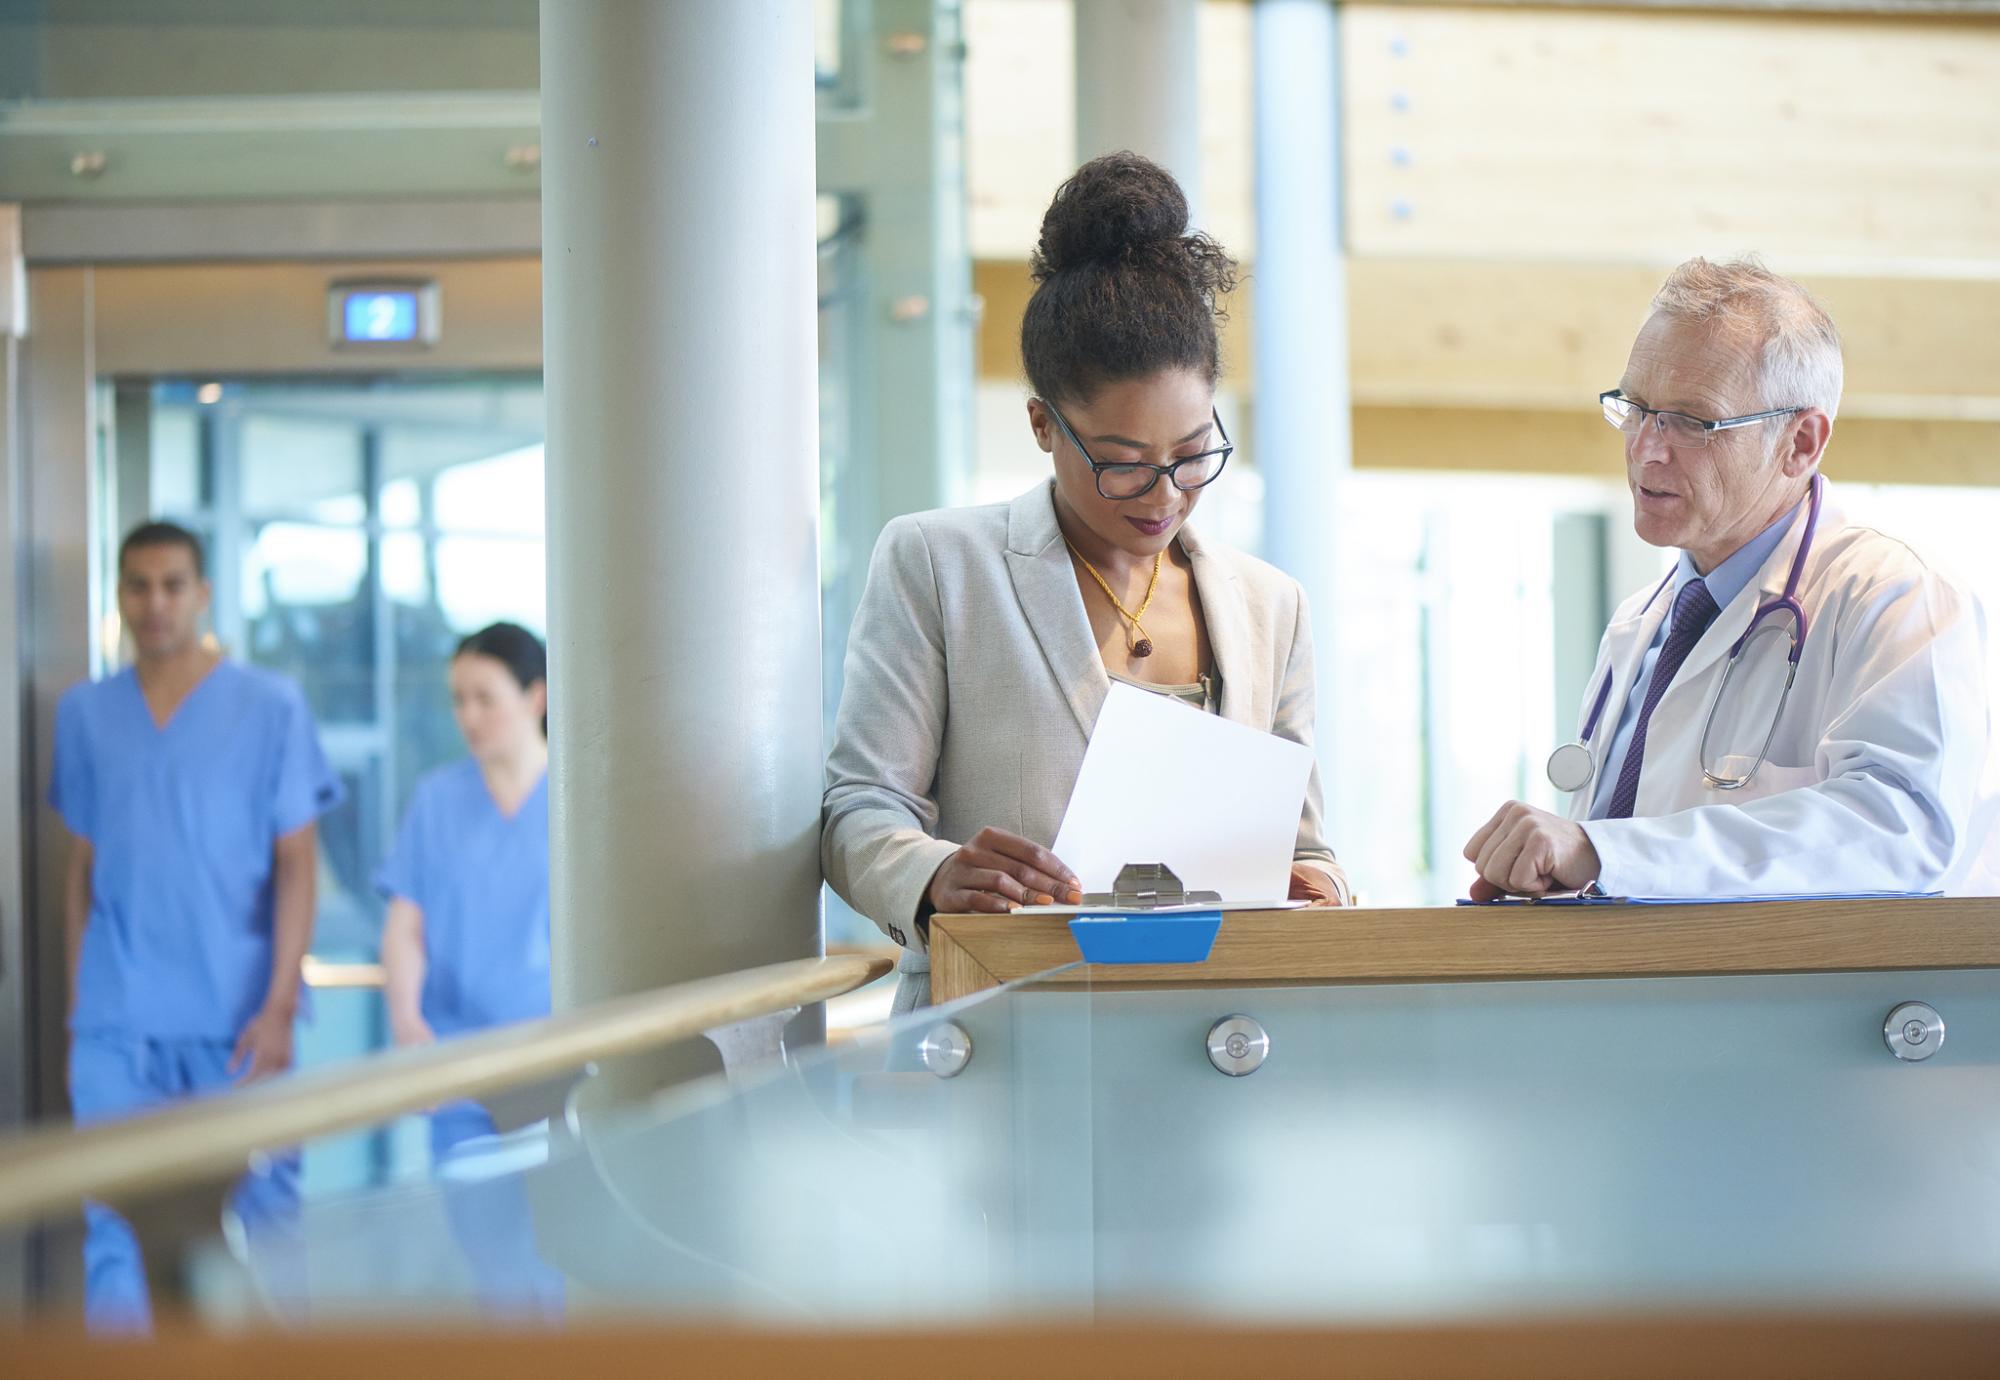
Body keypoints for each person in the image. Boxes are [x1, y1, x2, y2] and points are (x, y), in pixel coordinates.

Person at [824, 152, 1352, 1011]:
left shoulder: (1269, 607)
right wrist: (936, 875)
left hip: (1215, 1032)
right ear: (1042, 424)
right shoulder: (940, 565)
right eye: (1121, 464)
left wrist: (1315, 888)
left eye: (1192, 455)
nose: (1165, 494)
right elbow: (859, 809)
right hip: (999, 1020)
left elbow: (1308, 845)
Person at [1464, 257, 1992, 900]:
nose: (1645, 449)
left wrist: (1605, 851)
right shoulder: (1641, 623)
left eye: (1691, 421)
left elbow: (1901, 829)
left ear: (1800, 443)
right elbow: (1623, 865)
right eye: (1637, 408)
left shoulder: (1896, 596)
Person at [51, 520, 342, 1331]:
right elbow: (82, 870)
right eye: (138, 586)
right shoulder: (86, 714)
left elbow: (297, 865)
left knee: (262, 1231)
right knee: (114, 1228)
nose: (155, 603)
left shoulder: (269, 705)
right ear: (118, 597)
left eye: (173, 584)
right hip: (120, 1024)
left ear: (203, 594)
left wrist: (281, 1003)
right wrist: (86, 1008)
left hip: (240, 1021)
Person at [377, 620, 561, 1315]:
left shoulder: (580, 800)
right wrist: (407, 1024)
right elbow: (406, 926)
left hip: (561, 1068)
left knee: (561, 1259)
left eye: (486, 698)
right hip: (459, 1070)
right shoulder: (437, 801)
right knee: (495, 1268)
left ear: (536, 695)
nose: (469, 717)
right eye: (459, 699)